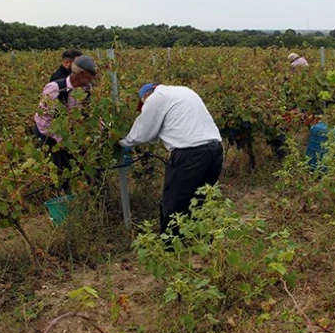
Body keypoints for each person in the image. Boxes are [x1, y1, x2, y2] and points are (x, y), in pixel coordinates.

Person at [118, 83, 223, 238]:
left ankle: (171, 249)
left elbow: (144, 132)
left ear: (146, 96)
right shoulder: (184, 91)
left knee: (175, 202)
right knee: (199, 200)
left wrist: (122, 143)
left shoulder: (156, 98)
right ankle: (199, 242)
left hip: (190, 154)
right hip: (215, 150)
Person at [33, 55, 98, 190]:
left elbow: (89, 114)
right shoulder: (55, 88)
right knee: (60, 167)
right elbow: (42, 119)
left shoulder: (86, 90)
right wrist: (61, 139)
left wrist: (100, 129)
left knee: (82, 163)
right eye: (92, 74)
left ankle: (88, 191)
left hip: (71, 133)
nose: (94, 78)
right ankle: (60, 194)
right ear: (81, 74)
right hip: (50, 135)